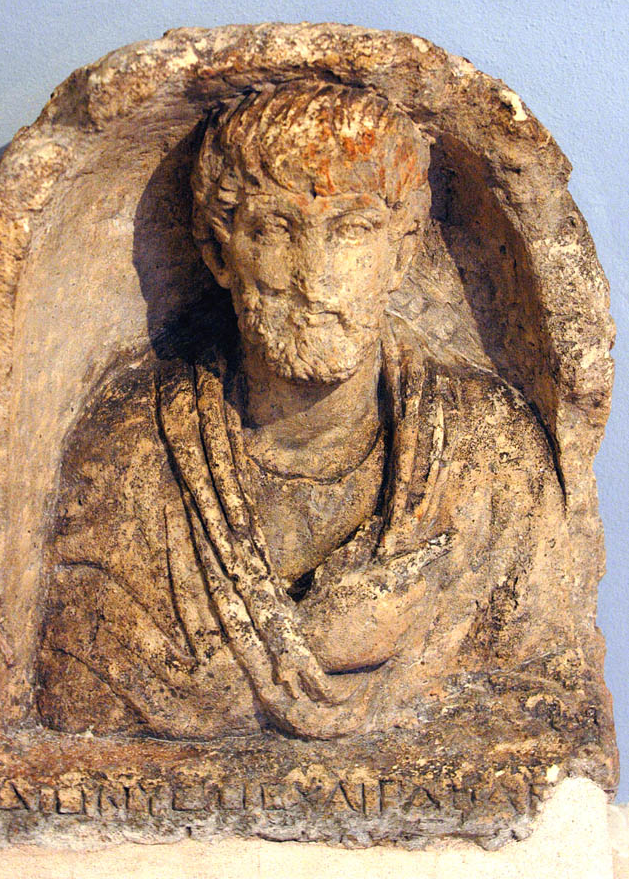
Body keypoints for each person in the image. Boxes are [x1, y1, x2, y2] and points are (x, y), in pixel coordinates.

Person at [38, 81, 582, 741]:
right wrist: (315, 646)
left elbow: (547, 704)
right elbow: (72, 703)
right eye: (276, 229)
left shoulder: (491, 455)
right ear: (218, 253)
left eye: (351, 230)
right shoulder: (129, 451)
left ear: (402, 252)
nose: (314, 277)